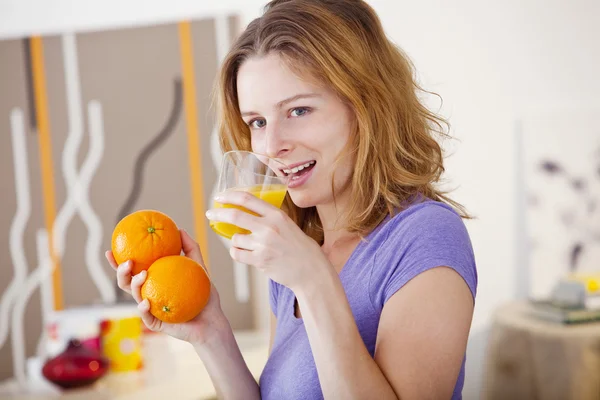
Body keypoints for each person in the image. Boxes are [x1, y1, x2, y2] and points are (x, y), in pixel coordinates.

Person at [106, 0, 477, 398]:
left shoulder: (425, 236)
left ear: (368, 105)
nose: (271, 145)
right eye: (258, 122)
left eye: (298, 110)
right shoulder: (300, 251)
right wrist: (209, 331)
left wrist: (313, 280)